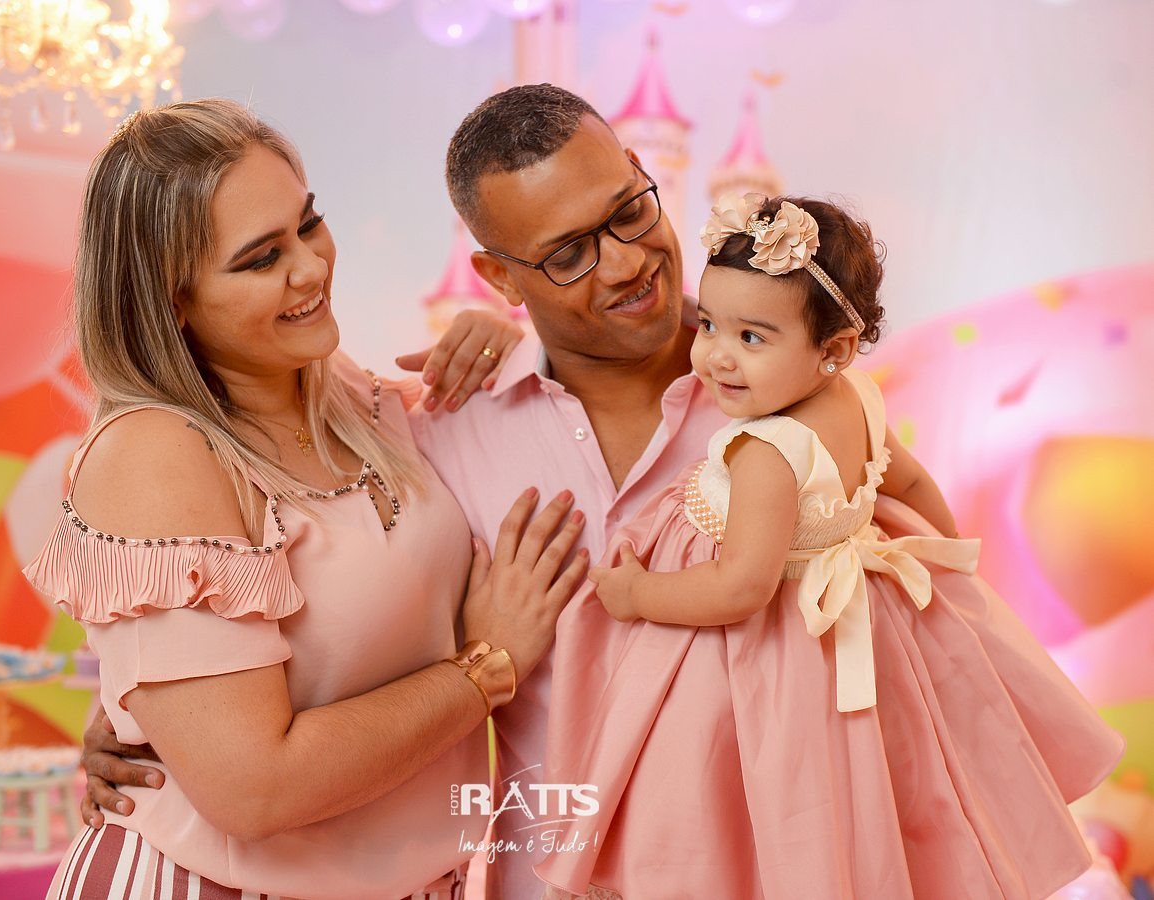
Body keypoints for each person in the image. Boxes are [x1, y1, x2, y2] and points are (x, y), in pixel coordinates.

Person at [83, 85, 1109, 899]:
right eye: (569, 254)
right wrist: (144, 713)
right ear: (498, 277)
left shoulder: (799, 400)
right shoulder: (435, 430)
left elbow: (923, 620)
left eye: (630, 211)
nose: (625, 264)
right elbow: (297, 586)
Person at [24, 97, 590, 900]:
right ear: (170, 299)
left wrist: (506, 339)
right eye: (261, 258)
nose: (311, 268)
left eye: (308, 224)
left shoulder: (351, 395)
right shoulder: (156, 453)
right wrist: (484, 666)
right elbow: (254, 791)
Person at [533, 194, 1126, 899]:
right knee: (867, 786)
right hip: (858, 630)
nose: (716, 356)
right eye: (711, 324)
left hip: (766, 651)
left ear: (833, 350)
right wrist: (944, 558)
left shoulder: (768, 450)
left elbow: (740, 587)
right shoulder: (859, 397)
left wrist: (637, 594)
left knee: (742, 790)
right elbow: (909, 481)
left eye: (752, 338)